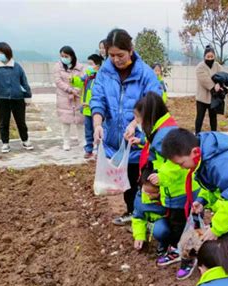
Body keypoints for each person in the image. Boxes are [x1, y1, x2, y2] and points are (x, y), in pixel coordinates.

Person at [90, 28, 163, 226]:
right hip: (115, 138)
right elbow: (97, 100)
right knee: (125, 182)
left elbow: (153, 103)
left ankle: (150, 216)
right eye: (111, 55)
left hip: (138, 139)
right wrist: (97, 124)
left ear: (130, 50)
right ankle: (132, 212)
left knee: (143, 180)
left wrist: (135, 123)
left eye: (120, 55)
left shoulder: (145, 74)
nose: (116, 60)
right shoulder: (105, 72)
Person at [130, 92, 200, 280]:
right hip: (173, 188)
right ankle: (178, 246)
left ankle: (183, 252)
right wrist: (143, 142)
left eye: (137, 117)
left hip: (177, 189)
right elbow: (159, 148)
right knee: (178, 221)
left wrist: (162, 177)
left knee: (181, 222)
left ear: (148, 115)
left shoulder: (163, 134)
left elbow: (175, 162)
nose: (136, 121)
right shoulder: (162, 129)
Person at [0, 42, 34, 153]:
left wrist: (27, 96)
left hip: (18, 99)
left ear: (9, 53)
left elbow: (24, 82)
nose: (0, 55)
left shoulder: (17, 67)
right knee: (4, 122)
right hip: (1, 100)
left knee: (21, 122)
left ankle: (25, 140)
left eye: (3, 53)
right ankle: (5, 143)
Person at [71, 54, 103, 159]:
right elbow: (79, 82)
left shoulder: (100, 78)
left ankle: (99, 151)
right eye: (87, 64)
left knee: (98, 131)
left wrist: (91, 103)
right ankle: (89, 150)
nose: (88, 66)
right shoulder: (87, 77)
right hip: (86, 110)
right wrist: (72, 80)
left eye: (91, 64)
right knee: (88, 132)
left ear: (97, 66)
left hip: (95, 110)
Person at [54, 46, 84, 151]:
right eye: (62, 56)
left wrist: (76, 89)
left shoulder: (80, 67)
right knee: (65, 123)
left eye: (66, 56)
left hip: (77, 97)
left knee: (80, 121)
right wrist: (69, 89)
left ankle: (82, 141)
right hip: (64, 98)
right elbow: (58, 81)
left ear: (71, 56)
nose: (64, 58)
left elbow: (82, 80)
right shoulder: (58, 66)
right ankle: (66, 142)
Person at [132, 167, 168, 253]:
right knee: (159, 229)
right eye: (146, 192)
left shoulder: (168, 197)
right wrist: (139, 236)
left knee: (161, 230)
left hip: (166, 222)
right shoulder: (141, 197)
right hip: (153, 222)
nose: (149, 196)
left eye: (153, 193)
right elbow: (138, 217)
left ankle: (167, 243)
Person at [194, 45, 223, 135]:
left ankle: (214, 134)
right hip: (202, 98)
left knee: (213, 117)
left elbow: (222, 75)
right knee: (200, 117)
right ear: (204, 57)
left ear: (214, 57)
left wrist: (220, 83)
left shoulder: (217, 66)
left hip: (213, 98)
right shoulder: (200, 67)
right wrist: (214, 85)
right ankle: (197, 134)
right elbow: (205, 80)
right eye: (208, 57)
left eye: (212, 57)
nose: (210, 58)